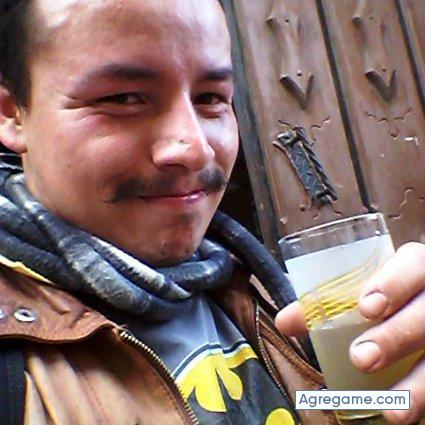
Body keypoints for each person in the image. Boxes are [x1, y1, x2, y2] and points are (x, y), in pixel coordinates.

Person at [0, 0, 423, 424]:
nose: (196, 148)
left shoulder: (263, 291)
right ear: (12, 114)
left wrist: (402, 399)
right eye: (123, 98)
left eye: (210, 98)